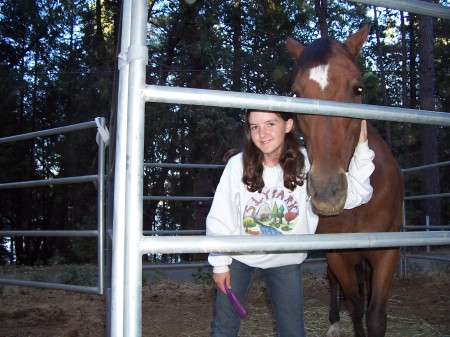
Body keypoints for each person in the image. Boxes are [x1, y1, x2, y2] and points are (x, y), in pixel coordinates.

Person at [206, 109, 375, 337]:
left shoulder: (306, 163)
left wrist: (362, 149)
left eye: (270, 124)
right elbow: (221, 215)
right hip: (239, 255)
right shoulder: (238, 165)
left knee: (293, 332)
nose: (262, 134)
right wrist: (220, 263)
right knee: (224, 328)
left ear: (288, 125)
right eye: (255, 127)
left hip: (285, 258)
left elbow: (356, 195)